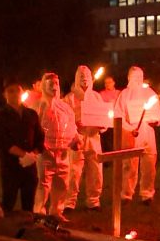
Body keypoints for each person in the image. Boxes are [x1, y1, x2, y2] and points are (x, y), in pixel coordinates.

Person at [33, 73, 81, 221]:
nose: (54, 86)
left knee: (62, 183)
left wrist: (75, 140)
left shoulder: (65, 108)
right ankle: (39, 212)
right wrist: (40, 146)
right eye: (50, 83)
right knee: (44, 183)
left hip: (63, 151)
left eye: (56, 83)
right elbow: (34, 129)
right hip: (46, 151)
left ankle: (56, 211)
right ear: (43, 85)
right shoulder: (38, 107)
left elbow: (72, 126)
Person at [0, 79, 44, 213]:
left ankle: (27, 229)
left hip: (30, 167)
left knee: (29, 203)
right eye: (10, 91)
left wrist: (33, 154)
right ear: (4, 94)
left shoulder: (31, 114)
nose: (15, 94)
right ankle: (8, 230)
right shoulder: (0, 116)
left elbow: (40, 137)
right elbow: (3, 141)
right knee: (9, 202)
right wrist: (23, 155)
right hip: (11, 167)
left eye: (17, 90)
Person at [113, 66, 160, 205]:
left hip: (147, 132)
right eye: (135, 77)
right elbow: (119, 115)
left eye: (140, 77)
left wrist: (155, 121)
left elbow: (157, 113)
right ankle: (127, 194)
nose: (137, 80)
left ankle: (147, 193)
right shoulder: (124, 94)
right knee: (129, 164)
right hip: (131, 134)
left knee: (149, 163)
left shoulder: (149, 93)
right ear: (129, 78)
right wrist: (129, 128)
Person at [64, 65, 106, 212]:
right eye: (81, 77)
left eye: (87, 77)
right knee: (73, 171)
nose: (84, 81)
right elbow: (64, 119)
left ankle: (93, 201)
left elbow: (103, 117)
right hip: (77, 138)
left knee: (95, 170)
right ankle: (69, 202)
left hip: (94, 138)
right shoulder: (69, 98)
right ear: (76, 79)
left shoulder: (96, 96)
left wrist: (102, 125)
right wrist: (75, 124)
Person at [99, 75, 119, 155]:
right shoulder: (101, 94)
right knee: (107, 139)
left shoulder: (119, 93)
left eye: (109, 82)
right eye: (106, 83)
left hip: (116, 120)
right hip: (106, 120)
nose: (108, 84)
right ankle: (107, 158)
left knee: (116, 138)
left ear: (114, 83)